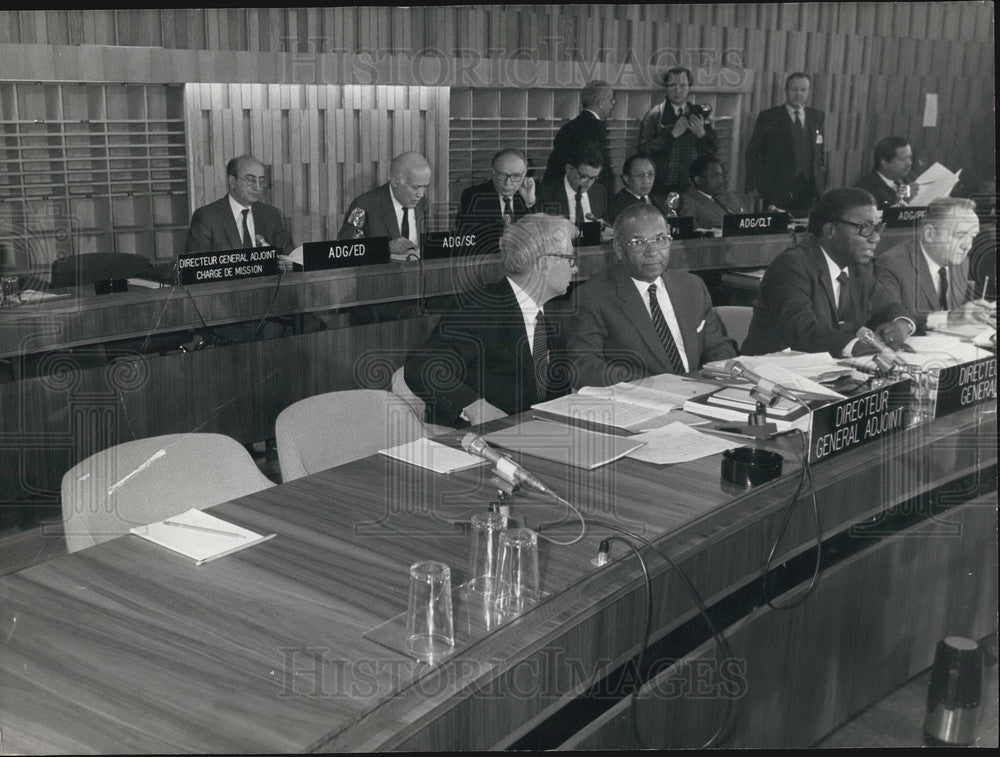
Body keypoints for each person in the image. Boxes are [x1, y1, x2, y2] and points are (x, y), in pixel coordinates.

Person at [403, 214, 578, 428]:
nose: (575, 268)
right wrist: (475, 407)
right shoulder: (480, 309)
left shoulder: (545, 317)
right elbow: (421, 365)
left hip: (534, 435)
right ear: (544, 264)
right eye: (570, 259)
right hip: (477, 442)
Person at [567, 203, 737, 388]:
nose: (653, 252)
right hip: (640, 401)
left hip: (698, 392)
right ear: (618, 249)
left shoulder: (692, 286)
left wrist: (705, 382)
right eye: (638, 243)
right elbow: (583, 366)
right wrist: (652, 385)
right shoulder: (593, 296)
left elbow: (719, 347)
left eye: (660, 239)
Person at [742, 187, 912, 357]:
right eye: (865, 227)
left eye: (877, 227)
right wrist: (861, 347)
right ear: (830, 230)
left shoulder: (859, 267)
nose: (875, 238)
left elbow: (888, 307)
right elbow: (804, 331)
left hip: (830, 371)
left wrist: (902, 325)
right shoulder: (791, 267)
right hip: (771, 372)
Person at [873, 197, 992, 332]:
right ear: (929, 234)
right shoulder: (891, 264)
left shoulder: (961, 262)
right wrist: (951, 318)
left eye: (972, 236)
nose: (967, 245)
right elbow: (890, 322)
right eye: (959, 235)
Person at [184, 154, 293, 262]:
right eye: (250, 180)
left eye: (261, 181)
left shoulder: (270, 214)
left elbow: (287, 254)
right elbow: (195, 266)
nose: (257, 187)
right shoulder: (207, 217)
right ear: (232, 182)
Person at [745, 72, 827, 214]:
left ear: (808, 91)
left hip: (810, 188)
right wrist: (755, 185)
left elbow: (820, 150)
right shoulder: (769, 117)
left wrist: (821, 182)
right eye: (794, 89)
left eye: (803, 90)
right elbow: (752, 152)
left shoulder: (817, 116)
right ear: (786, 90)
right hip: (777, 188)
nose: (798, 94)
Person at [637, 67, 717, 196]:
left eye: (682, 85)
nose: (677, 90)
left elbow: (713, 150)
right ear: (666, 88)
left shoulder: (698, 114)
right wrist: (671, 135)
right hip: (661, 188)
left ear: (689, 87)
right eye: (672, 85)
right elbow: (643, 153)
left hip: (693, 189)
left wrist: (702, 135)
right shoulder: (654, 115)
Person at [338, 151, 430, 261]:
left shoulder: (423, 203)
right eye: (415, 187)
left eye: (425, 187)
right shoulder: (365, 204)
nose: (421, 194)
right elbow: (346, 247)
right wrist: (385, 247)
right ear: (396, 181)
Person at [542, 80, 617, 197]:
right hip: (586, 194)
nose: (612, 105)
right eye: (611, 100)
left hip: (559, 190)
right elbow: (599, 167)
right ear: (601, 102)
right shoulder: (596, 127)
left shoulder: (568, 127)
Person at [455, 148, 536, 248]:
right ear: (493, 171)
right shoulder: (473, 195)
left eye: (515, 176)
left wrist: (529, 201)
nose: (508, 182)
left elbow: (539, 237)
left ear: (524, 175)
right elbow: (467, 239)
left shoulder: (529, 194)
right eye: (502, 175)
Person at [536, 142, 609, 226]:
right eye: (584, 177)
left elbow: (603, 227)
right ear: (569, 169)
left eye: (593, 178)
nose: (589, 184)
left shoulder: (599, 191)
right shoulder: (546, 193)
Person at [679, 156, 745, 229]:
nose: (721, 181)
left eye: (721, 175)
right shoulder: (687, 201)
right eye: (715, 176)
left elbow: (748, 221)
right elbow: (689, 233)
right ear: (698, 180)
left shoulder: (729, 195)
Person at [854, 136, 918, 210]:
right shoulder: (865, 191)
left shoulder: (910, 176)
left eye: (909, 157)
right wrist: (903, 202)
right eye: (902, 159)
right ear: (884, 164)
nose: (909, 163)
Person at [607, 154, 676, 223]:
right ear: (627, 179)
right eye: (640, 175)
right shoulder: (615, 205)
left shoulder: (662, 202)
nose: (646, 181)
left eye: (651, 174)